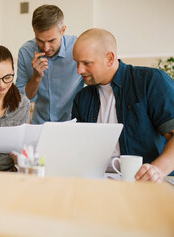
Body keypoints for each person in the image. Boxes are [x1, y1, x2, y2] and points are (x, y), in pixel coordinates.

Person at [72, 28, 174, 183]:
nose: (79, 70)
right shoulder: (82, 98)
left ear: (110, 58)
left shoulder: (150, 81)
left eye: (87, 63)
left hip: (147, 184)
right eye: (77, 63)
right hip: (98, 184)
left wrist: (157, 170)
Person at [16, 4, 83, 124]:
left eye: (51, 40)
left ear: (63, 30)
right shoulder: (25, 52)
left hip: (72, 124)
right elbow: (22, 100)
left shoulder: (78, 47)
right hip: (40, 124)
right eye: (40, 41)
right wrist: (36, 77)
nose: (46, 48)